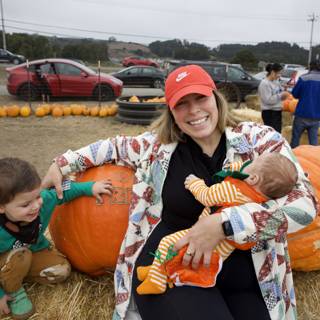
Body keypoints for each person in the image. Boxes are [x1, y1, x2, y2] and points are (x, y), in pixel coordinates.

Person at [42, 64, 316, 320]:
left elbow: (304, 205)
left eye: (200, 98)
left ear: (216, 97)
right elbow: (113, 147)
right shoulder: (157, 148)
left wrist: (224, 224)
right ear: (171, 111)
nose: (194, 111)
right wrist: (62, 163)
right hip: (171, 269)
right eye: (182, 103)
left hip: (249, 275)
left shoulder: (260, 140)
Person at [135, 153, 298, 295]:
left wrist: (194, 183)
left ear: (253, 178)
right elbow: (239, 169)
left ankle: (156, 282)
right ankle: (157, 271)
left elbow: (207, 196)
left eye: (251, 163)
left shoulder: (232, 190)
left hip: (207, 241)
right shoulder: (258, 201)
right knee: (182, 257)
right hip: (222, 251)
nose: (246, 164)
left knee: (168, 244)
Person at [0, 158, 113, 320]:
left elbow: (64, 191)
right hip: (8, 258)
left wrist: (90, 187)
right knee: (20, 256)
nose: (36, 206)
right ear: (1, 207)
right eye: (25, 205)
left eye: (37, 196)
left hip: (31, 252)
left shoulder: (43, 202)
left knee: (61, 270)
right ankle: (13, 289)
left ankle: (18, 274)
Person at [290, 60, 320, 148]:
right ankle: (314, 160)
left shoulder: (303, 78)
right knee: (313, 144)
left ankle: (293, 159)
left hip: (302, 114)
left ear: (310, 67)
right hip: (316, 117)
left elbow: (295, 94)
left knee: (295, 140)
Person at [258, 63, 290, 133]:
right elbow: (268, 100)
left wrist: (284, 90)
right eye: (279, 73)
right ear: (272, 72)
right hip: (269, 113)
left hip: (277, 111)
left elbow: (279, 92)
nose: (279, 76)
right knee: (272, 135)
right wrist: (281, 95)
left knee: (277, 133)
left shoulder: (276, 81)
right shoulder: (264, 83)